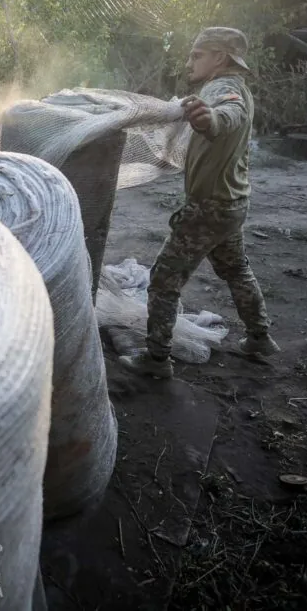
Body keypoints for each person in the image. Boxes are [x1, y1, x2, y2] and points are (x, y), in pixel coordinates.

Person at [119, 27, 280, 379]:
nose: (189, 63)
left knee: (163, 280)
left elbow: (229, 112)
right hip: (233, 203)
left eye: (196, 55)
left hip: (208, 208)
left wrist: (212, 119)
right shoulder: (239, 88)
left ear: (219, 57)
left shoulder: (222, 89)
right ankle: (260, 338)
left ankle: (157, 359)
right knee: (236, 269)